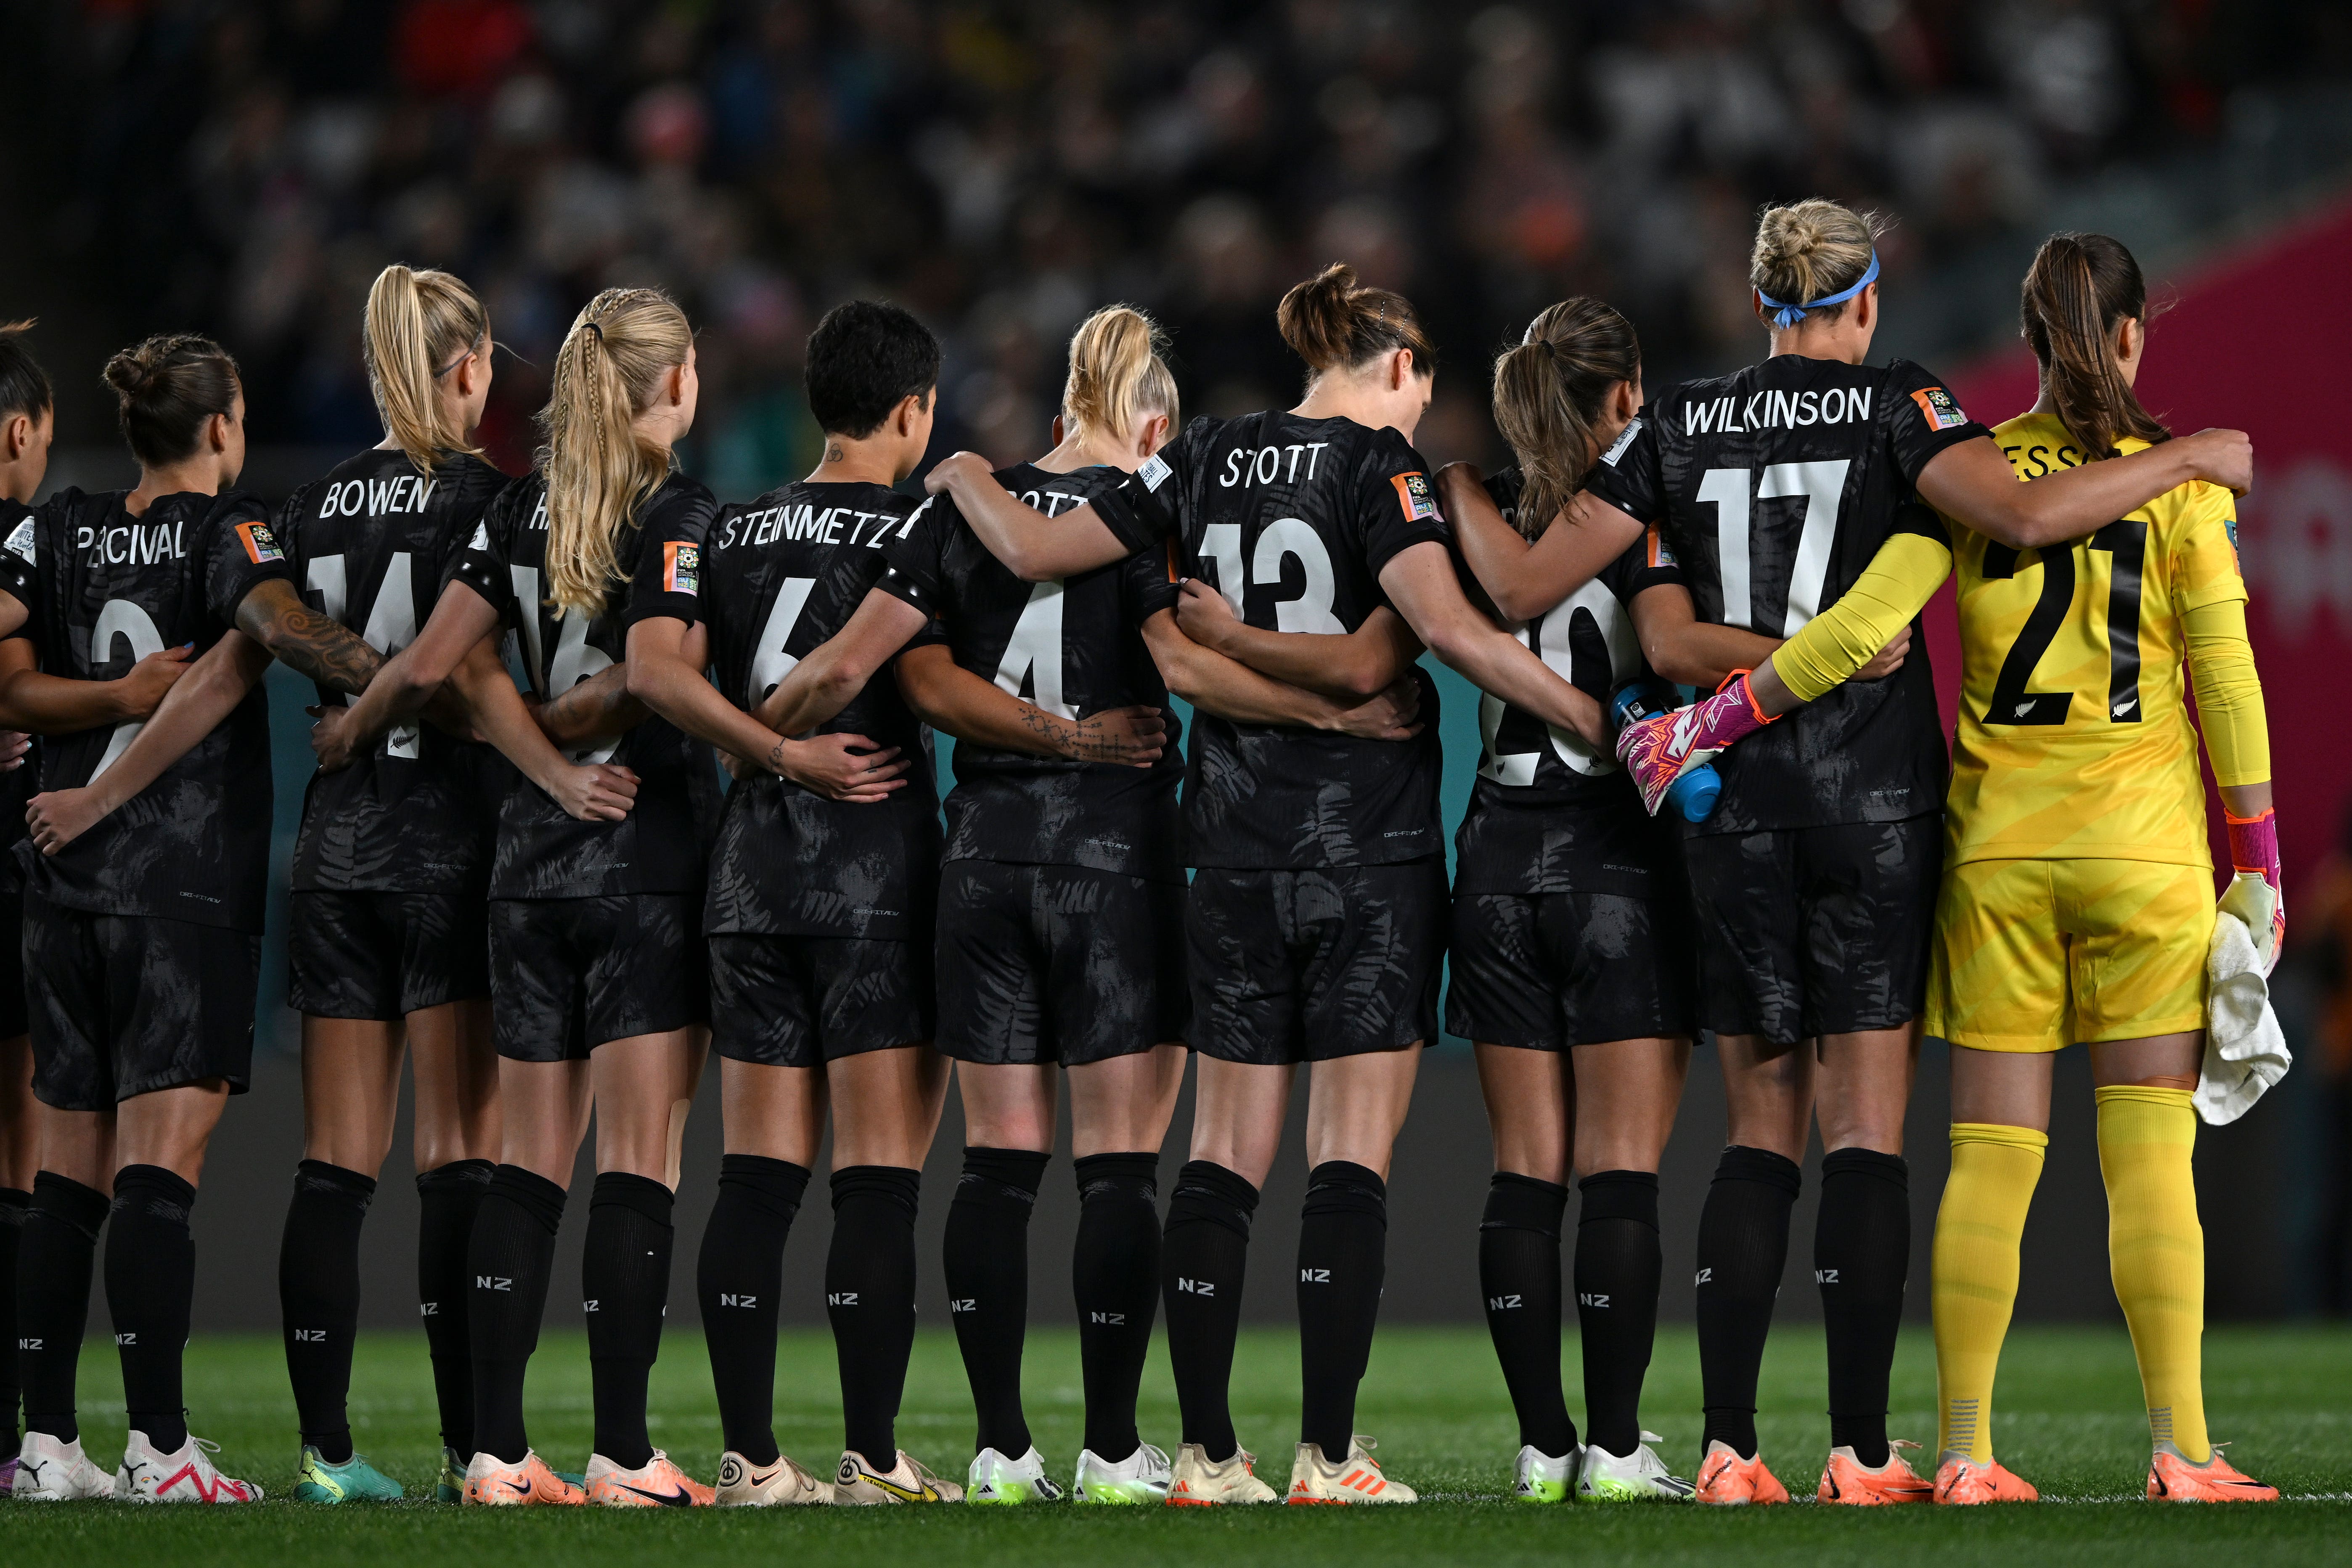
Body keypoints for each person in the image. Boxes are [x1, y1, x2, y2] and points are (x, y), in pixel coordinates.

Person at [1547, 199, 2251, 1505]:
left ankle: (1726, 1447)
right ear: (1864, 299)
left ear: (1768, 300)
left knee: (1758, 1131)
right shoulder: (1902, 409)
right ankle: (1868, 1456)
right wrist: (2190, 452)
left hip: (1736, 807)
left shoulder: (1685, 420)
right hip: (1875, 805)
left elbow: (1598, 604)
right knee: (1867, 1129)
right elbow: (2027, 518)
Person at [923, 263, 1609, 1506]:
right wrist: (1591, 717)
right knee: (1349, 1160)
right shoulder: (1385, 470)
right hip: (1371, 859)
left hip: (1227, 853)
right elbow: (1431, 641)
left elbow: (1060, 562)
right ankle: (1330, 1458)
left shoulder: (1211, 453)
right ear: (1400, 368)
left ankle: (1200, 1452)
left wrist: (968, 471)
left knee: (1221, 1159)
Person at [720, 305, 1188, 1504]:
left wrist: (746, 746)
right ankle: (1114, 1450)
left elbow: (914, 676)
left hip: (981, 856)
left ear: (1055, 414)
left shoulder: (953, 511)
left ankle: (997, 1448)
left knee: (997, 1164)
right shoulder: (1150, 506)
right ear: (1151, 423)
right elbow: (1188, 658)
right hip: (1111, 857)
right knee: (1121, 1165)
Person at [1433, 298, 1878, 1503]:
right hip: (1618, 858)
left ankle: (1543, 1446)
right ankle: (1619, 1449)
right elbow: (1678, 650)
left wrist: (1459, 480)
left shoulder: (1466, 522)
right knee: (1622, 1166)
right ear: (1626, 399)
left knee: (1525, 1169)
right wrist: (1823, 639)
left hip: (1494, 855)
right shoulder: (1642, 512)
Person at [315, 286, 718, 1507]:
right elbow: (650, 684)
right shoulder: (680, 508)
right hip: (640, 853)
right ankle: (626, 1454)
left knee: (527, 1165)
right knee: (639, 1160)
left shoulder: (521, 508)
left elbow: (442, 661)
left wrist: (358, 723)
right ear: (679, 382)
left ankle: (494, 1452)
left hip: (524, 870)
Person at [0, 334, 393, 1502]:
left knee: (62, 1176)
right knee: (156, 1177)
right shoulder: (232, 528)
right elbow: (273, 623)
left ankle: (46, 1445)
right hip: (178, 889)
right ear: (222, 429)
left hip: (57, 880)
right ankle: (161, 1449)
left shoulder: (55, 527)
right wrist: (375, 670)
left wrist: (96, 712)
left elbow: (8, 678)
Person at [621, 299, 976, 1506]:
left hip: (747, 881)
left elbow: (658, 672)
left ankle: (750, 1457)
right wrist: (779, 745)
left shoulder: (728, 522)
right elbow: (877, 682)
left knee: (758, 1176)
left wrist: (743, 754)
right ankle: (873, 1459)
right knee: (878, 1173)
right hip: (872, 871)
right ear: (915, 408)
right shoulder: (923, 524)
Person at [265, 265, 514, 1504]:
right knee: (458, 1152)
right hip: (450, 845)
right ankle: (476, 1450)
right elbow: (482, 689)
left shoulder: (309, 508)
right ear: (464, 370)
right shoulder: (495, 503)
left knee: (333, 1161)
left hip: (336, 849)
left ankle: (328, 1455)